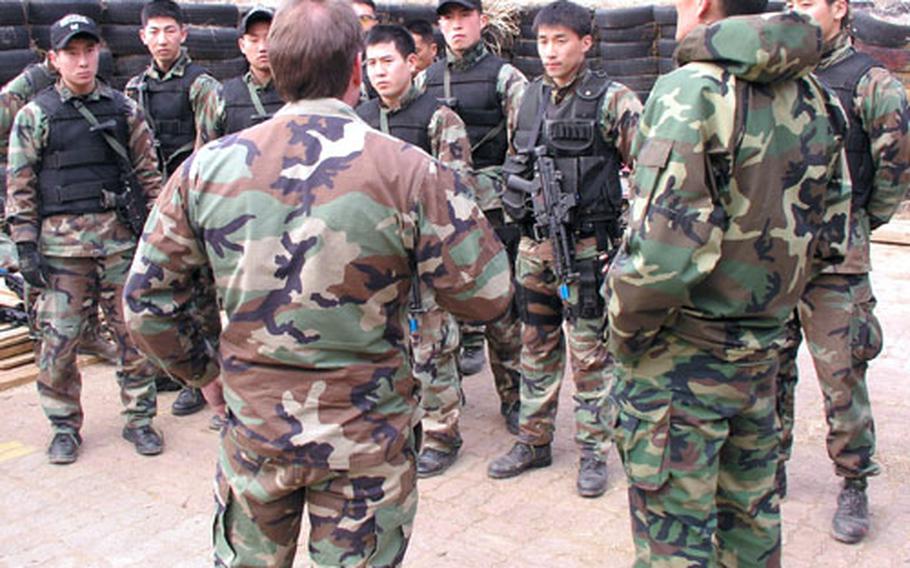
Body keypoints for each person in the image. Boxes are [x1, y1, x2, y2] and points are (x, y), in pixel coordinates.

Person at [123, 0, 512, 565]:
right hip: (368, 438)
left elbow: (146, 304)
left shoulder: (206, 168)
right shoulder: (409, 170)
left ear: (276, 70)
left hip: (255, 429)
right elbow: (489, 295)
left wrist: (202, 374)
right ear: (357, 70)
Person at [605, 1, 852, 564]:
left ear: (701, 5)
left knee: (675, 543)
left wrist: (624, 331)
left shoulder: (689, 90)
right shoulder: (817, 95)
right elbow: (834, 232)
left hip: (679, 361)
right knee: (751, 525)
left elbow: (661, 258)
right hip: (761, 349)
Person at [487, 0, 641, 498]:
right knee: (535, 345)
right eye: (543, 42)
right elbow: (515, 158)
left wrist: (626, 242)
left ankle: (595, 450)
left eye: (561, 41)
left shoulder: (614, 99)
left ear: (586, 43)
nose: (550, 52)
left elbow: (647, 171)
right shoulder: (527, 98)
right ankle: (534, 439)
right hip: (535, 248)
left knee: (591, 354)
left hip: (587, 249)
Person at [778, 0, 910, 544]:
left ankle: (854, 481)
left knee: (842, 377)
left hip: (836, 261)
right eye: (789, 3)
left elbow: (895, 168)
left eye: (807, 2)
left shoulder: (871, 82)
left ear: (840, 9)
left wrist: (858, 223)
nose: (796, 12)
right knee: (768, 370)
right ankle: (767, 465)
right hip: (775, 258)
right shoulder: (779, 73)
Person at [5, 14, 164, 464]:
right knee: (58, 345)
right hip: (60, 254)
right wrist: (25, 245)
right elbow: (20, 185)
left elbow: (150, 177)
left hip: (119, 246)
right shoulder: (35, 115)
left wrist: (156, 238)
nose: (82, 61)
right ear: (54, 59)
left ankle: (140, 419)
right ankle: (63, 427)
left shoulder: (124, 109)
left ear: (99, 53)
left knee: (134, 338)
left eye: (88, 51)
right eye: (71, 53)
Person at [356, 24, 477, 477]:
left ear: (412, 63)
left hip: (423, 254)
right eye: (371, 64)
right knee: (384, 343)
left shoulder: (438, 118)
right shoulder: (360, 117)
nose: (379, 72)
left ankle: (444, 432)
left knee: (433, 346)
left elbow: (457, 191)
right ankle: (400, 422)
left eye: (387, 61)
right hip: (374, 256)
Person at [420, 0, 526, 434]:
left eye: (464, 17)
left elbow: (523, 147)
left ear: (481, 20)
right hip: (440, 216)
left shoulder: (506, 78)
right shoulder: (424, 79)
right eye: (447, 19)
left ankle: (515, 397)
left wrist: (488, 191)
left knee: (502, 309)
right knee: (440, 306)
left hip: (492, 211)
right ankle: (448, 400)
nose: (455, 26)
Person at [125, 0, 222, 416]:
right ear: (142, 36)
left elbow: (206, 149)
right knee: (158, 289)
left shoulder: (202, 85)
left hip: (186, 201)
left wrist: (184, 200)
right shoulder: (134, 89)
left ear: (183, 34)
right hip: (149, 200)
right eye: (154, 32)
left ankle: (206, 376)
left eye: (170, 30)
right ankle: (173, 369)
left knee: (200, 296)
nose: (162, 39)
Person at [0, 58, 120, 364]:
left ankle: (90, 335)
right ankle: (42, 343)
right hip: (38, 205)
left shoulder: (97, 90)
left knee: (88, 276)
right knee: (40, 287)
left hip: (80, 211)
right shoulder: (30, 95)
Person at [214, 5, 283, 137]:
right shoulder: (223, 96)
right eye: (254, 40)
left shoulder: (297, 92)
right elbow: (208, 151)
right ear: (242, 45)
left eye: (269, 38)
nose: (262, 47)